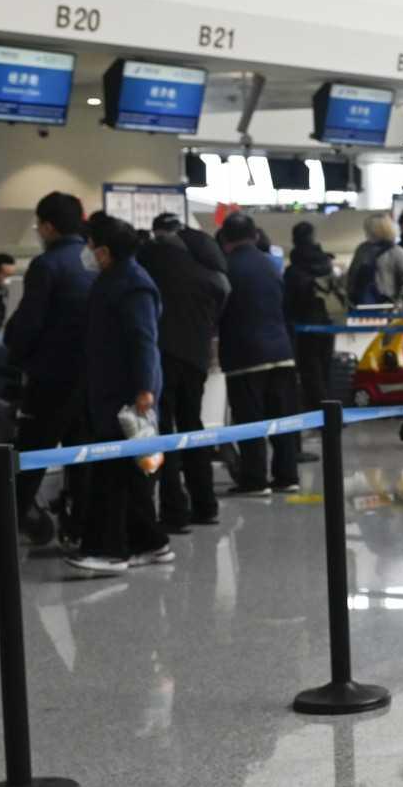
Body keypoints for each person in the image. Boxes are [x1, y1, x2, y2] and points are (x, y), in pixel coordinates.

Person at [0, 192, 95, 562]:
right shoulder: (93, 261)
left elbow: (28, 324)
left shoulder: (48, 265)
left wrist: (16, 353)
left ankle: (2, 537)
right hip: (90, 378)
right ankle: (78, 532)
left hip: (51, 378)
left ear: (48, 227)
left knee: (26, 462)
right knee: (80, 457)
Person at [65, 215, 170, 577]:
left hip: (124, 395)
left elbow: (144, 340)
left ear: (105, 251)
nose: (87, 253)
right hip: (110, 390)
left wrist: (144, 389)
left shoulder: (132, 285)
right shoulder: (114, 279)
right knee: (128, 474)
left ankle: (108, 550)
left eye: (91, 246)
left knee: (112, 474)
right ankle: (151, 542)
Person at [138, 214, 226, 533]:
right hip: (197, 356)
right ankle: (206, 505)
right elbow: (221, 296)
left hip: (164, 355)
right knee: (193, 427)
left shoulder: (152, 259)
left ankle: (174, 510)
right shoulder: (203, 262)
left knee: (165, 431)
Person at [217, 214, 301, 495]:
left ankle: (254, 479)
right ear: (254, 235)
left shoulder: (226, 268)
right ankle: (287, 476)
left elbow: (221, 312)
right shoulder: (272, 264)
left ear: (225, 239)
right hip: (281, 350)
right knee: (283, 419)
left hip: (245, 356)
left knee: (251, 420)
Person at [281, 221, 339, 410]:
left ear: (294, 240)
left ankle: (320, 411)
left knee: (310, 371)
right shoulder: (327, 264)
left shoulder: (293, 270)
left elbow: (289, 301)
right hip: (328, 322)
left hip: (304, 325)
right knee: (325, 369)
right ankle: (331, 411)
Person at [346, 213, 403, 307]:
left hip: (387, 305)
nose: (366, 232)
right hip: (360, 304)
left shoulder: (396, 252)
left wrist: (402, 301)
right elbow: (352, 273)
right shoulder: (362, 249)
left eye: (369, 229)